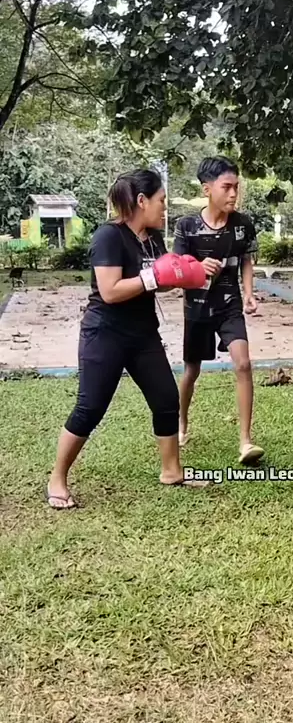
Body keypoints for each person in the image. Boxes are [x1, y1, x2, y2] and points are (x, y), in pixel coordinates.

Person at [47, 168, 208, 509]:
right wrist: (154, 277)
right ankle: (57, 478)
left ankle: (171, 471)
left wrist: (183, 274)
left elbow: (159, 281)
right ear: (141, 201)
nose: (165, 207)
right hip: (105, 333)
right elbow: (110, 291)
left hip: (143, 333)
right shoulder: (109, 236)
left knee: (166, 399)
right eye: (161, 200)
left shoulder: (153, 239)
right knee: (90, 407)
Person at [173, 156, 264, 464]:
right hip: (197, 308)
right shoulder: (187, 226)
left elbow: (247, 261)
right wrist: (197, 267)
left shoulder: (243, 224)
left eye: (236, 187)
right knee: (192, 371)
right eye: (227, 187)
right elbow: (176, 269)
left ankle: (246, 441)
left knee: (243, 364)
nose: (233, 194)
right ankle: (181, 424)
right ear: (207, 189)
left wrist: (249, 293)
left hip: (230, 305)